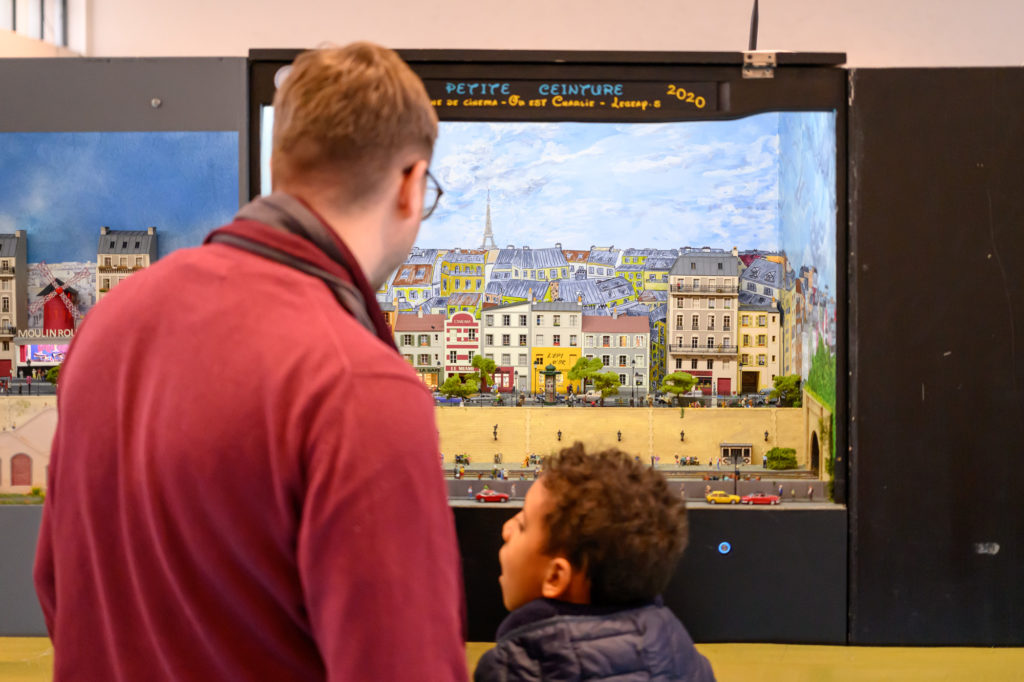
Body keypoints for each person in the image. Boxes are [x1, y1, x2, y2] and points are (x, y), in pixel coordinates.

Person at [34, 44, 467, 681]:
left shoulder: (111, 323)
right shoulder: (357, 383)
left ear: (281, 162)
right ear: (409, 185)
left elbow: (58, 587)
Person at [474, 444, 715, 681]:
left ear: (556, 577)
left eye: (522, 525)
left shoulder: (516, 668)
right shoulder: (686, 657)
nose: (506, 529)